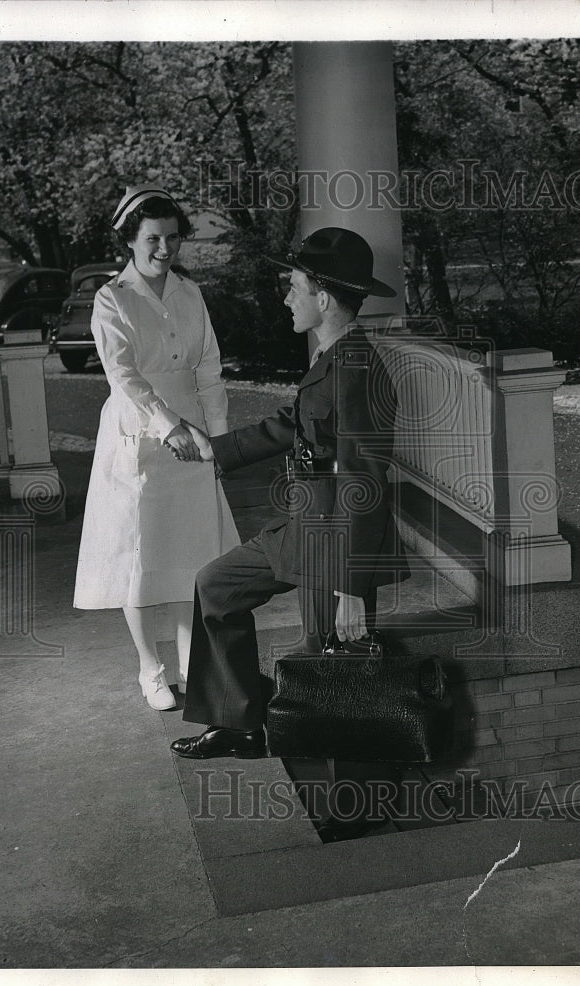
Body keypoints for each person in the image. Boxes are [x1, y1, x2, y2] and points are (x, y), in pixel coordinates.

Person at [170, 227, 409, 778]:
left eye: (294, 286)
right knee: (216, 587)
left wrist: (351, 585)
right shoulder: (332, 356)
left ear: (323, 297)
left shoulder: (354, 366)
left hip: (336, 539)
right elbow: (293, 425)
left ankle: (353, 796)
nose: (287, 298)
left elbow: (363, 478)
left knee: (329, 659)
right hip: (306, 522)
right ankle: (242, 722)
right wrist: (218, 449)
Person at [73, 184, 239, 710]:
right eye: (153, 239)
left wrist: (216, 437)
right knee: (141, 556)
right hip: (141, 437)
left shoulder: (190, 294)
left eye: (172, 238)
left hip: (195, 435)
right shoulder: (111, 299)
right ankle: (151, 668)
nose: (164, 249)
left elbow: (209, 367)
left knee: (196, 554)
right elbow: (123, 375)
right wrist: (170, 428)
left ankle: (194, 666)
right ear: (131, 240)